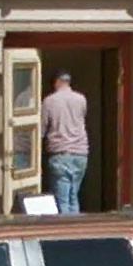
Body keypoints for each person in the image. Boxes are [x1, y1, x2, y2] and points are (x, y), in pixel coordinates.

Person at [41, 70, 89, 214]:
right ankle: (76, 224)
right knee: (73, 196)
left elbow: (42, 127)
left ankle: (66, 225)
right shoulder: (81, 99)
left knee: (61, 200)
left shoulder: (49, 101)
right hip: (80, 153)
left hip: (60, 153)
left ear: (56, 82)